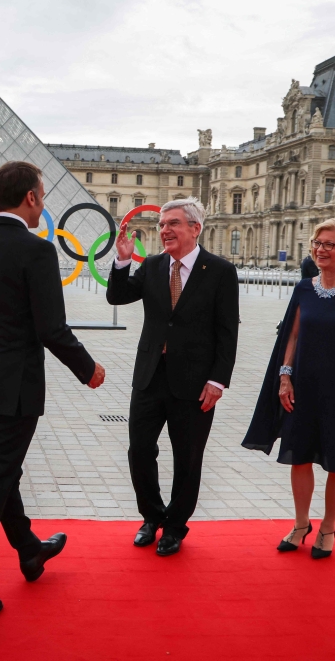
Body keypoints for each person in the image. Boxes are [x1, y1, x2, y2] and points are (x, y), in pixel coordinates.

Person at [0, 160, 106, 625]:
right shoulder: (37, 252)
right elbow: (51, 327)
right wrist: (87, 367)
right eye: (43, 194)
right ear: (30, 198)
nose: (44, 202)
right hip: (16, 388)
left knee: (0, 469)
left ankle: (30, 551)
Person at [107, 197, 239, 557]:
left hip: (196, 383)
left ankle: (175, 526)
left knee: (188, 457)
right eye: (163, 224)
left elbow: (228, 333)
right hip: (150, 377)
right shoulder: (150, 266)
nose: (164, 229)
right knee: (140, 451)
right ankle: (151, 517)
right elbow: (116, 297)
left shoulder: (221, 271)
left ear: (195, 229)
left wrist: (218, 381)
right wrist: (121, 259)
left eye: (173, 223)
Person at [242, 217, 335, 559]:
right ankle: (301, 524)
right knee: (298, 457)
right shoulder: (305, 288)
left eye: (329, 244)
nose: (321, 250)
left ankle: (328, 527)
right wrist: (284, 378)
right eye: (317, 243)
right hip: (302, 386)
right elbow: (292, 333)